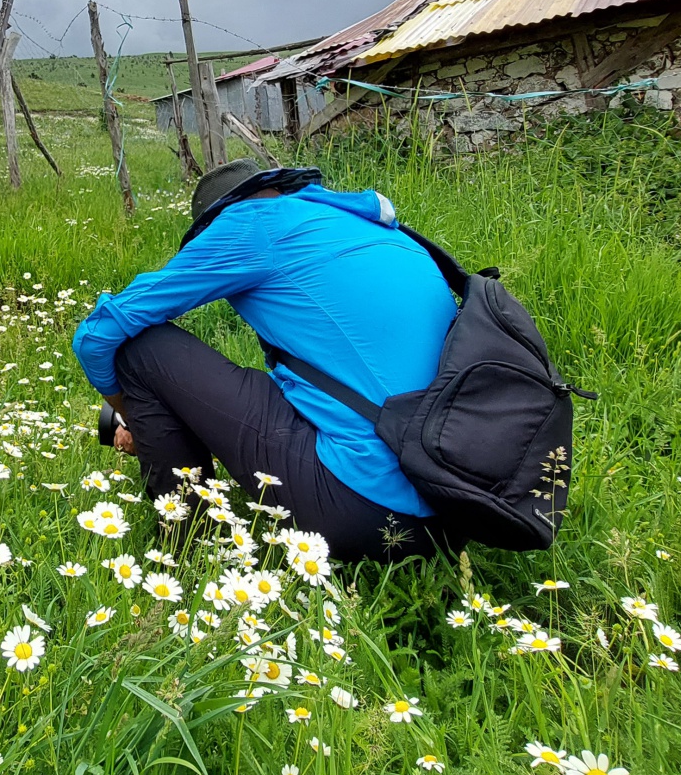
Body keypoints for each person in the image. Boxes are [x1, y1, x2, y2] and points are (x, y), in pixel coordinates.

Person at [70, 159, 458, 562]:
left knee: (139, 348)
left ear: (214, 223)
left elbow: (95, 336)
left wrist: (129, 415)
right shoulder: (377, 229)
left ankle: (187, 549)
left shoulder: (249, 224)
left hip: (368, 511)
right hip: (455, 505)